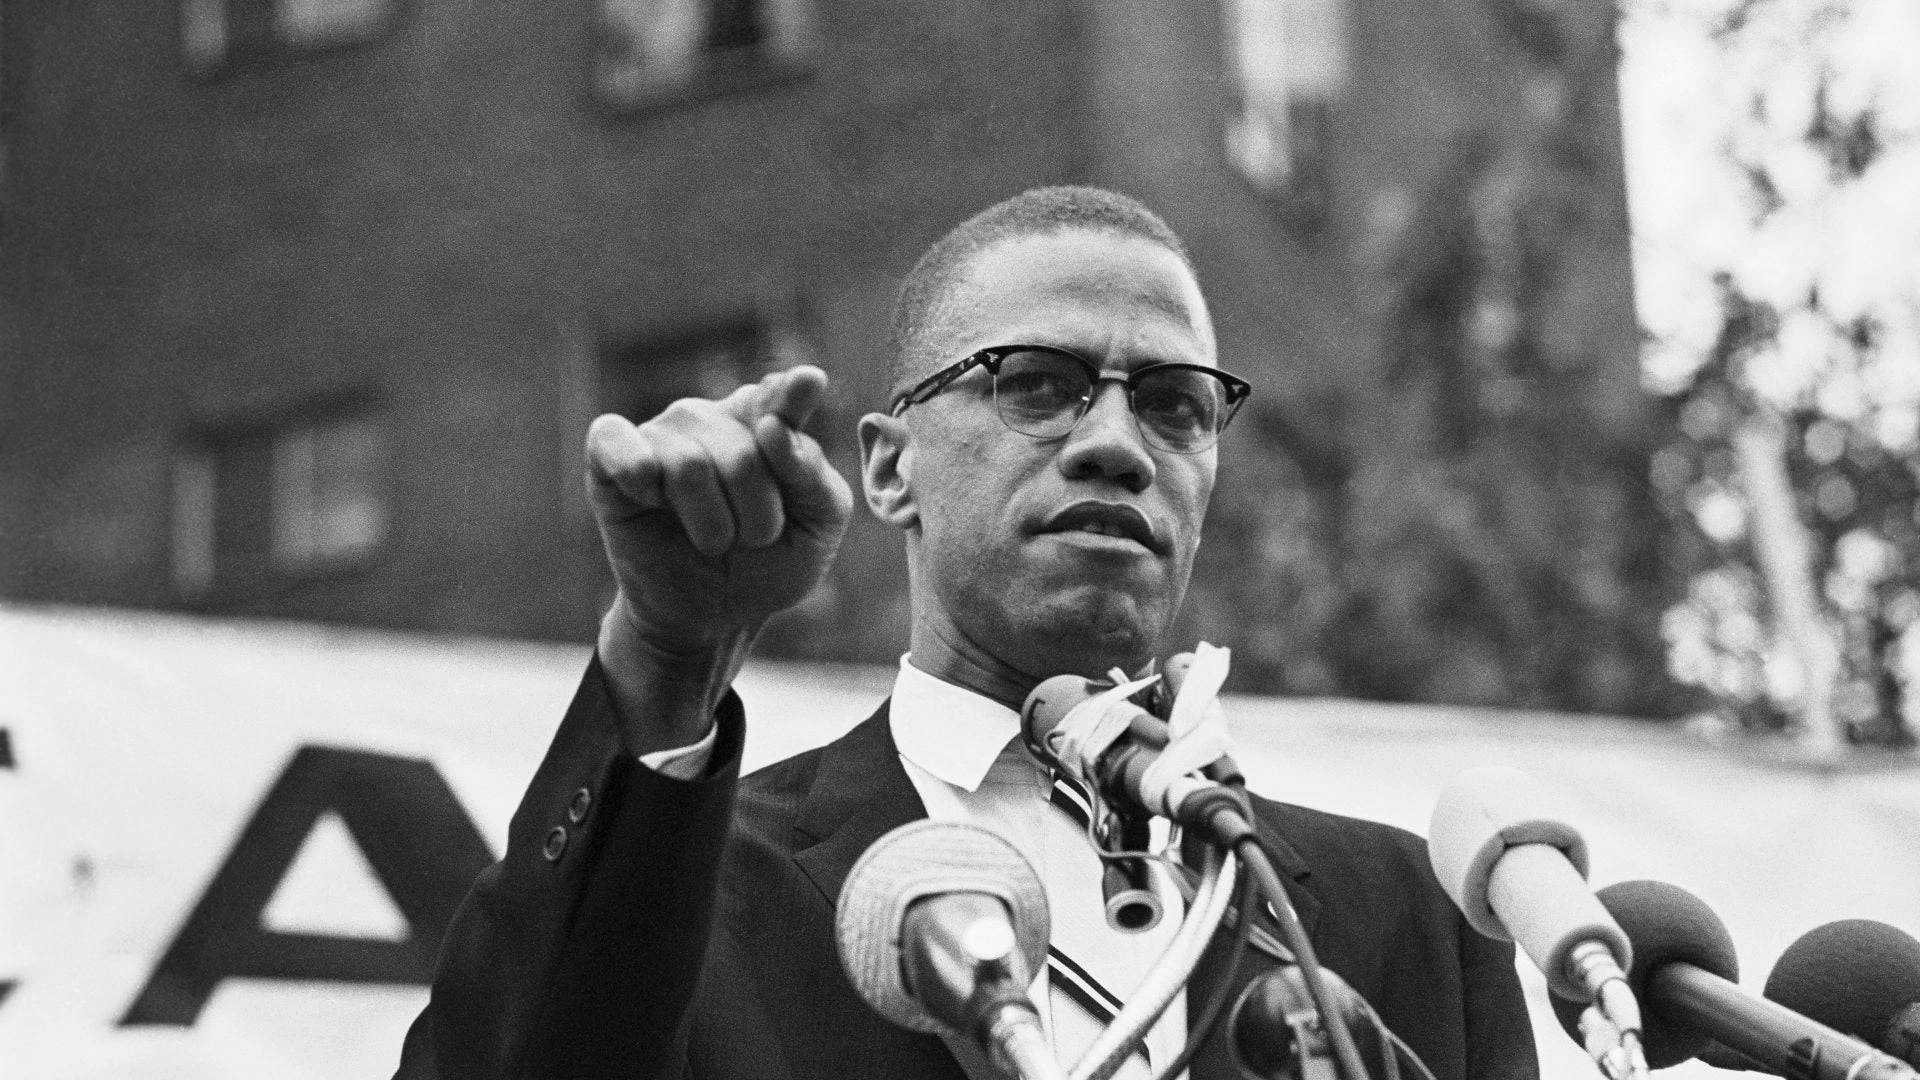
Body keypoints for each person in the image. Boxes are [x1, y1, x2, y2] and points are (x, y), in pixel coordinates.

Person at [393, 187, 1539, 1080]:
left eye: (1174, 404)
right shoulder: (698, 891)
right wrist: (667, 655)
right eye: (1036, 385)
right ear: (891, 469)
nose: (1117, 445)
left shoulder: (1416, 923)